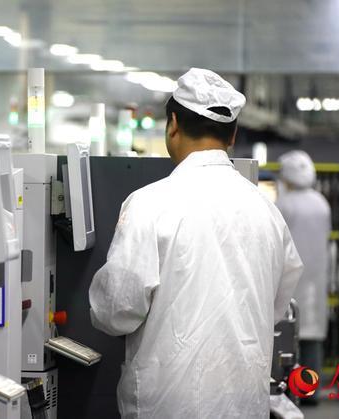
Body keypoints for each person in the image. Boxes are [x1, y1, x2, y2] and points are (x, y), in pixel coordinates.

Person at [88, 68, 303, 419]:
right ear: (233, 135)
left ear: (173, 124)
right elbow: (276, 304)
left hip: (169, 405)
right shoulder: (266, 211)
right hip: (244, 403)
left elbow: (116, 311)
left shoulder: (149, 204)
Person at [276, 150, 331, 405]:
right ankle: (310, 391)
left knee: (288, 337)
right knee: (312, 336)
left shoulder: (284, 204)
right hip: (316, 280)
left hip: (290, 279)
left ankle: (290, 393)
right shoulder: (322, 203)